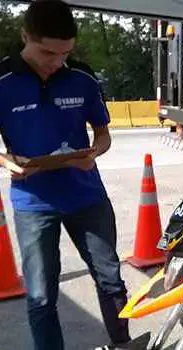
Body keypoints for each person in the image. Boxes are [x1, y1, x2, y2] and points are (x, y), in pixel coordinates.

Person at [0, 1, 130, 349]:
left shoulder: (82, 78)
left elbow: (102, 134)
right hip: (33, 202)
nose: (56, 62)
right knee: (41, 295)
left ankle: (123, 344)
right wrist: (5, 160)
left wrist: (95, 153)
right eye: (47, 53)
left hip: (86, 194)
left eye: (65, 54)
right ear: (25, 35)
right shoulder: (3, 82)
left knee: (111, 280)